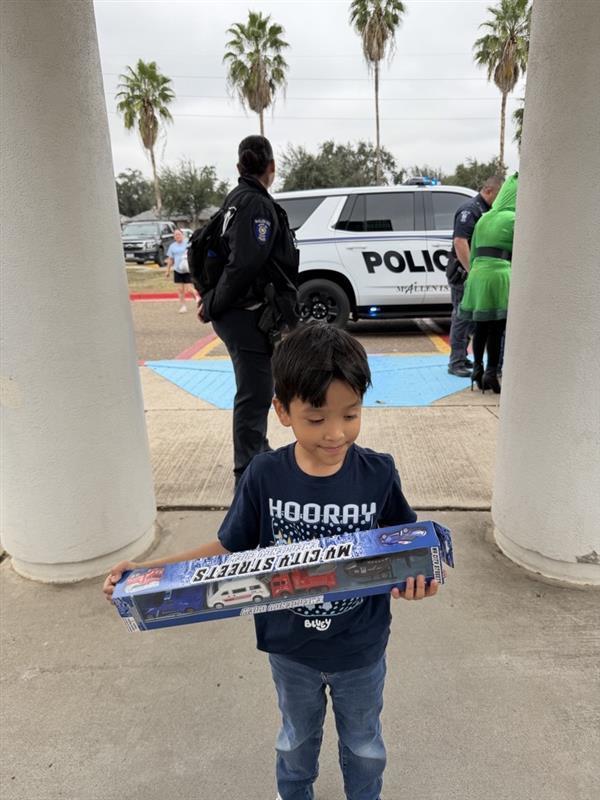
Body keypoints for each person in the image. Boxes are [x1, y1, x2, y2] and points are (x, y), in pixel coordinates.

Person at [103, 323, 440, 800]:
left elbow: (405, 552)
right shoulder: (264, 474)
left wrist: (421, 581)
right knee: (295, 740)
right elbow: (228, 548)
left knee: (365, 745)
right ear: (282, 411)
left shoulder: (378, 473)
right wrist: (146, 572)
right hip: (290, 649)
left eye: (352, 414)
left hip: (361, 649)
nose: (336, 433)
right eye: (317, 418)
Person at [197, 135, 299, 488]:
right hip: (246, 315)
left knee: (256, 388)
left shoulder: (236, 201)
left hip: (241, 313)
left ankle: (257, 453)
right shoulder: (254, 205)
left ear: (240, 167)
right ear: (271, 168)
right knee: (255, 395)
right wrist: (212, 305)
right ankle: (248, 473)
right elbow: (244, 265)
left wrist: (212, 302)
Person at [459, 173, 518, 394]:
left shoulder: (484, 218)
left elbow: (473, 250)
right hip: (498, 273)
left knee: (480, 327)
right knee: (496, 328)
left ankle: (477, 369)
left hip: (477, 275)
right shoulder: (513, 219)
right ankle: (492, 372)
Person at [446, 176, 503, 377]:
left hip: (475, 273)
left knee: (470, 319)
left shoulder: (486, 211)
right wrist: (473, 271)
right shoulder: (470, 210)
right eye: (499, 194)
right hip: (464, 273)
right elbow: (460, 242)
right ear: (488, 190)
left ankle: (462, 357)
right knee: (462, 316)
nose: (501, 198)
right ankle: (456, 362)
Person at [166, 228, 197, 313]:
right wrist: (168, 270)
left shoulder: (187, 244)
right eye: (175, 235)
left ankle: (198, 300)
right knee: (180, 290)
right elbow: (170, 259)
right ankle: (183, 306)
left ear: (182, 235)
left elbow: (194, 254)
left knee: (189, 289)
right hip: (177, 270)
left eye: (179, 234)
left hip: (187, 269)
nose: (177, 236)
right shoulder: (172, 246)